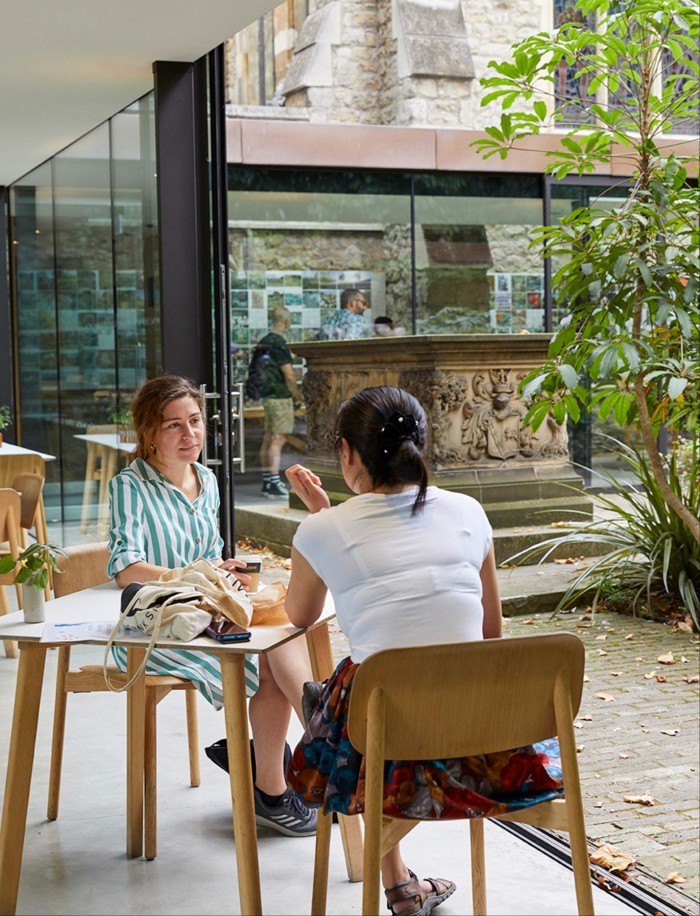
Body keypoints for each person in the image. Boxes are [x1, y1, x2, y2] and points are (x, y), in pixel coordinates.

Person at [282, 386, 565, 915]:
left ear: (346, 452)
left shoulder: (321, 529)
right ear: (421, 444)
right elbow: (491, 631)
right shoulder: (468, 511)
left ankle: (313, 717)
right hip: (489, 736)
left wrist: (322, 518)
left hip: (386, 743)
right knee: (371, 685)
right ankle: (400, 881)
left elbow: (298, 617)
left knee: (328, 682)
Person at [107, 374, 317, 837]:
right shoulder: (130, 485)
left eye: (195, 422)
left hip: (211, 613)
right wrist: (195, 576)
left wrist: (227, 570)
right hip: (159, 626)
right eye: (173, 425)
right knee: (270, 658)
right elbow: (127, 569)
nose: (189, 435)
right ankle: (305, 766)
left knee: (281, 631)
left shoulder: (206, 479)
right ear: (148, 433)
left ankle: (288, 772)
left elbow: (210, 553)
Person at [255, 305, 300, 498]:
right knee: (278, 439)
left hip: (267, 396)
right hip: (280, 396)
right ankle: (274, 482)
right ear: (287, 322)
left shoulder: (263, 342)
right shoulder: (280, 344)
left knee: (268, 437)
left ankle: (268, 480)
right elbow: (289, 374)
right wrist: (297, 394)